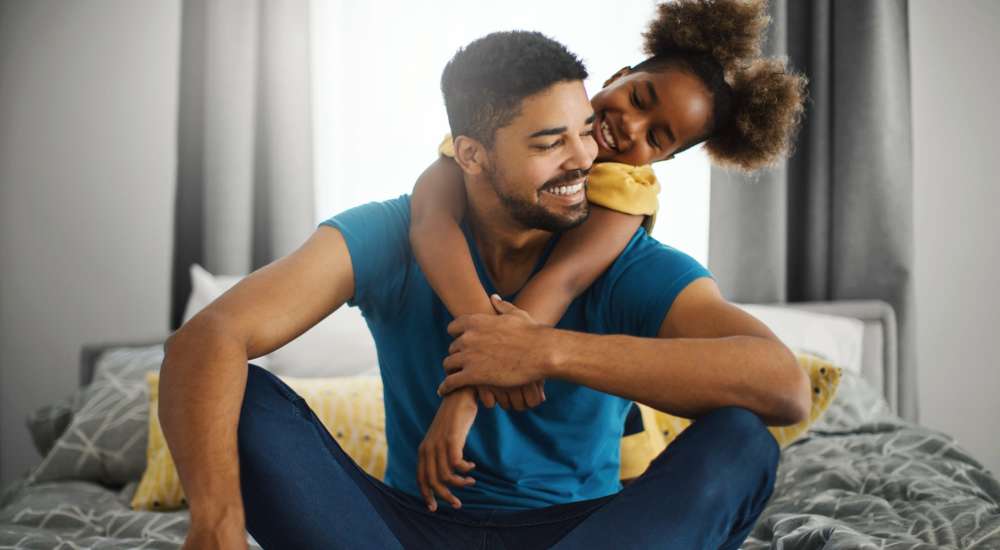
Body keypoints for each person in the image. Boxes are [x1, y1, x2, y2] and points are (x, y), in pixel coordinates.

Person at [159, 30, 811, 550]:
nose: (586, 157)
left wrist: (545, 351)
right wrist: (215, 523)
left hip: (583, 531)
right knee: (235, 391)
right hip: (399, 528)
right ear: (471, 154)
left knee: (741, 439)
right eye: (552, 142)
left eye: (581, 136)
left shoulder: (628, 254)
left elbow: (783, 385)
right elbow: (209, 336)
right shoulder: (398, 225)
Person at [409, 0, 807, 429]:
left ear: (664, 158)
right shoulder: (498, 135)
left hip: (597, 431)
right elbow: (431, 220)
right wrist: (483, 344)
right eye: (637, 98)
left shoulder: (624, 192)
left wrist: (466, 396)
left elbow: (563, 279)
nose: (630, 126)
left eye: (655, 137)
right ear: (620, 75)